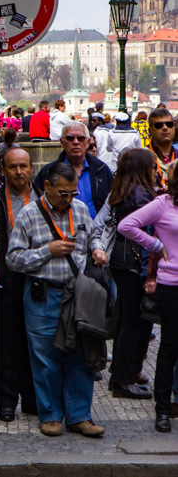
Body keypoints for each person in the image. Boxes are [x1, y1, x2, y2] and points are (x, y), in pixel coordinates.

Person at [7, 163, 109, 439]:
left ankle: (79, 415)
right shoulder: (28, 215)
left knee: (81, 353)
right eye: (63, 193)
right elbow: (12, 259)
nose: (68, 199)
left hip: (77, 293)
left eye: (72, 193)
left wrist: (98, 249)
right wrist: (46, 251)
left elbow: (94, 235)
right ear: (48, 187)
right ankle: (50, 415)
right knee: (45, 356)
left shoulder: (80, 209)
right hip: (43, 293)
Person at [91, 148, 157, 401]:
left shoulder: (122, 191)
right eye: (152, 166)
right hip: (133, 260)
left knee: (128, 319)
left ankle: (124, 372)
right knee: (135, 320)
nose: (155, 171)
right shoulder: (140, 194)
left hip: (122, 259)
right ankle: (122, 378)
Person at [119, 165, 178, 433]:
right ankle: (163, 409)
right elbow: (126, 225)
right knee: (169, 347)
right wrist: (155, 245)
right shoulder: (163, 204)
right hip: (171, 284)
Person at [0, 147, 39, 422]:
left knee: (34, 342)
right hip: (8, 278)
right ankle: (7, 401)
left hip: (38, 277)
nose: (19, 172)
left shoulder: (43, 197)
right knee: (7, 343)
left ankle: (33, 398)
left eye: (23, 166)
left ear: (31, 168)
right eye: (13, 167)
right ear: (3, 170)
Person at [35, 121, 112, 219]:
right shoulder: (48, 172)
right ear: (62, 142)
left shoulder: (102, 170)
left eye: (80, 138)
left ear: (88, 142)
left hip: (96, 231)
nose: (76, 142)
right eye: (70, 138)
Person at [146, 107, 178, 188]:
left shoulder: (177, 155)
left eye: (169, 124)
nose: (165, 128)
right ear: (150, 131)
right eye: (159, 125)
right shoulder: (142, 157)